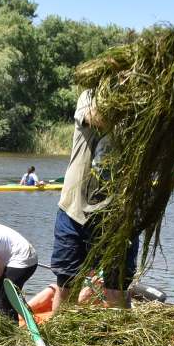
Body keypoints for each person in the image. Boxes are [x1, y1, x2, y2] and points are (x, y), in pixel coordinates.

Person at [51, 89, 140, 311]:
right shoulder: (92, 96)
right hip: (75, 211)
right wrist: (136, 104)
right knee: (67, 286)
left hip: (120, 217)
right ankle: (57, 339)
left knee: (116, 288)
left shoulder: (147, 107)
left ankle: (118, 341)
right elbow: (96, 118)